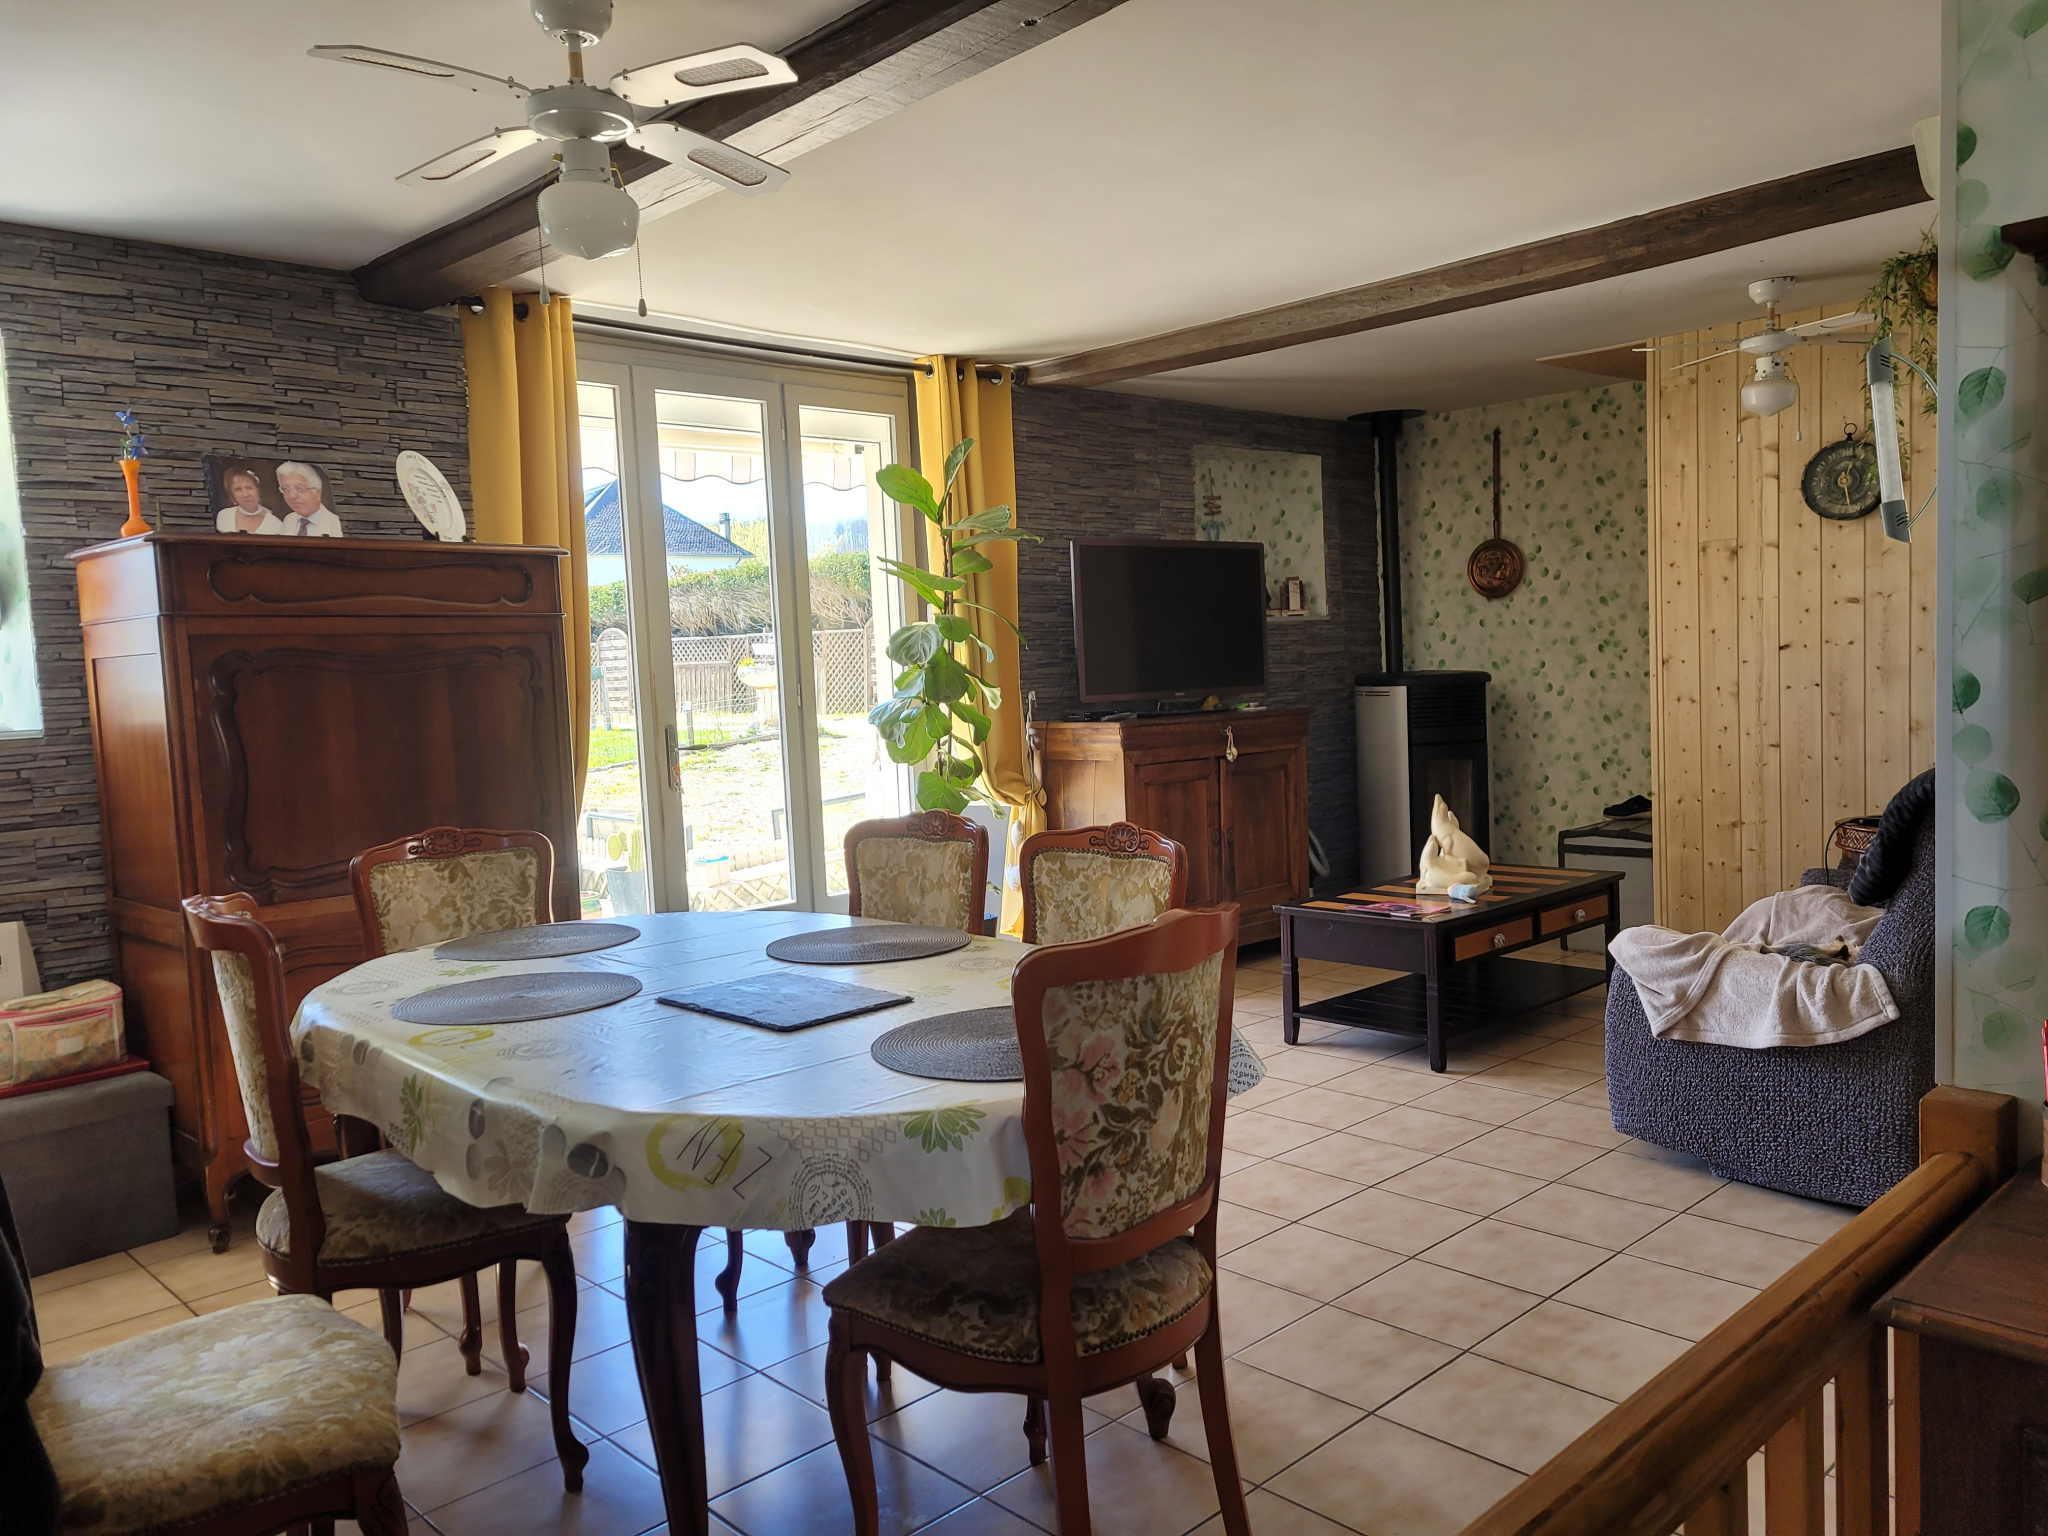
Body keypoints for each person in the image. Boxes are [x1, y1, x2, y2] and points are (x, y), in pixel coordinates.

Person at [275, 461, 343, 537]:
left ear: (318, 492)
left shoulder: (336, 523)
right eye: (285, 489)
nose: (292, 495)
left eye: (299, 488)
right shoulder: (289, 519)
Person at [212, 467, 282, 535]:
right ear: (232, 494)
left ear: (258, 490)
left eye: (249, 488)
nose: (245, 494)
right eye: (238, 489)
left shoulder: (275, 524)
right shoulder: (224, 516)